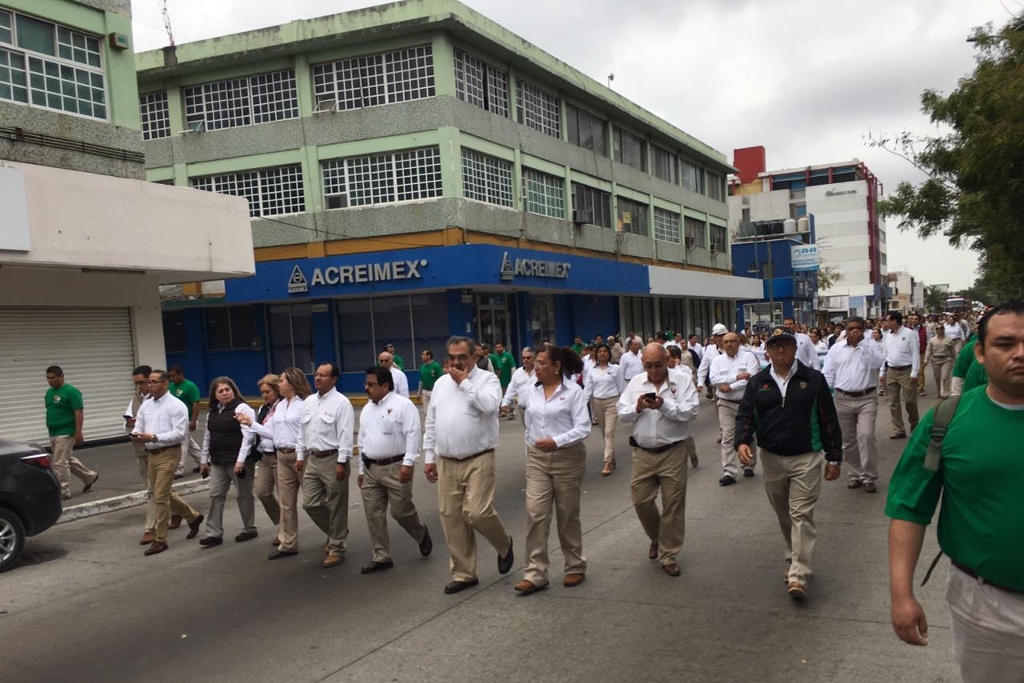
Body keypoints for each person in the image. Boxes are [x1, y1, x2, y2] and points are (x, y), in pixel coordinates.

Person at [886, 300, 1024, 680]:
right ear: (979, 353)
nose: (1020, 354)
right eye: (1005, 343)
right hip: (987, 608)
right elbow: (909, 508)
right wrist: (902, 594)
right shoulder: (946, 421)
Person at [734, 332, 843, 600]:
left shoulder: (813, 379)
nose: (781, 350)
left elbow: (828, 419)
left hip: (806, 458)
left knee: (801, 514)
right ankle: (795, 557)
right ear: (767, 351)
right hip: (771, 458)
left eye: (786, 345)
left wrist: (834, 456)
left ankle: (799, 574)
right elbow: (746, 415)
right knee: (784, 512)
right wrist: (742, 442)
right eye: (775, 346)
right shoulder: (758, 382)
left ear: (796, 348)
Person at [423, 336, 514, 595]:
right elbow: (432, 422)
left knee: (477, 512)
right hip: (447, 461)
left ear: (475, 356)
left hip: (479, 458)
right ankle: (464, 573)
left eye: (462, 357)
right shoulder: (441, 384)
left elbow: (489, 407)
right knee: (451, 517)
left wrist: (464, 383)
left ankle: (504, 543)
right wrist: (429, 457)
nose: (455, 362)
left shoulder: (488, 381)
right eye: (452, 357)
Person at [617, 343, 700, 577]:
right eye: (648, 365)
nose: (653, 370)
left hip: (672, 450)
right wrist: (638, 407)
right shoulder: (636, 383)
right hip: (643, 452)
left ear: (668, 361)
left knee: (673, 504)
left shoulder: (682, 381)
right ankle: (657, 537)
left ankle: (669, 554)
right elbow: (622, 414)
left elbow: (691, 412)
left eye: (658, 365)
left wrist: (664, 406)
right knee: (641, 500)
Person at [513, 346, 591, 594]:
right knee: (536, 513)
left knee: (567, 514)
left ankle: (575, 565)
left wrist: (556, 441)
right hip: (537, 458)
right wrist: (532, 445)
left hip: (567, 457)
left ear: (556, 366)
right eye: (535, 363)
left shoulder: (574, 392)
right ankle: (535, 573)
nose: (536, 367)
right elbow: (528, 421)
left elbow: (583, 427)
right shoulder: (530, 391)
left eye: (541, 363)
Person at [357, 366, 432, 574]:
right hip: (372, 468)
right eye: (366, 384)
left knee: (401, 511)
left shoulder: (403, 406)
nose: (366, 388)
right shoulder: (367, 409)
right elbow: (362, 441)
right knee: (373, 514)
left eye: (370, 384)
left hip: (396, 467)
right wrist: (361, 470)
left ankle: (420, 532)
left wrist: (409, 462)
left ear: (385, 385)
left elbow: (413, 434)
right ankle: (381, 556)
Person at [238, 367, 310, 560]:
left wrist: (302, 456)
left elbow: (307, 432)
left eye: (283, 381)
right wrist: (250, 424)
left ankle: (334, 536)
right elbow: (273, 433)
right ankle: (288, 543)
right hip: (280, 455)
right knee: (286, 503)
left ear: (293, 383)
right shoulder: (279, 407)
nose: (280, 384)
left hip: (299, 456)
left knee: (312, 502)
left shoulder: (304, 404)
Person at [130, 369, 204, 556]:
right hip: (151, 453)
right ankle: (192, 517)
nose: (150, 385)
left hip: (169, 453)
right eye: (149, 382)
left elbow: (180, 434)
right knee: (158, 491)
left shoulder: (176, 406)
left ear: (165, 383)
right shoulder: (146, 405)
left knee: (160, 497)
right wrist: (137, 434)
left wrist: (154, 437)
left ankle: (160, 539)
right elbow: (139, 424)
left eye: (154, 382)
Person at [296, 362, 354, 569]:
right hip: (313, 458)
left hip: (333, 458)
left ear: (334, 379)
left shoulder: (342, 403)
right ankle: (337, 531)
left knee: (337, 504)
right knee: (310, 503)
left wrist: (341, 462)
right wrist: (300, 455)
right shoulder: (309, 402)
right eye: (316, 374)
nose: (317, 378)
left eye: (323, 375)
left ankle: (337, 548)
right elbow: (303, 431)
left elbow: (346, 435)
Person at [822, 317, 885, 493]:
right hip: (843, 398)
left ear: (864, 330)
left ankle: (869, 476)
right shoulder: (836, 349)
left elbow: (877, 364)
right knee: (847, 441)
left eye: (858, 328)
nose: (854, 331)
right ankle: (855, 474)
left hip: (866, 398)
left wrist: (863, 345)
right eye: (850, 329)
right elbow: (828, 373)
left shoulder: (872, 346)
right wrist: (823, 394)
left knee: (865, 436)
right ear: (845, 330)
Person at [197, 376, 258, 547]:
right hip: (218, 461)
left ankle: (249, 528)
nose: (225, 393)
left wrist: (240, 460)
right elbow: (208, 437)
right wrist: (204, 460)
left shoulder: (242, 408)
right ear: (214, 395)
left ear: (233, 390)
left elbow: (248, 437)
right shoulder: (213, 412)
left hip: (238, 461)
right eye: (220, 391)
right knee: (215, 494)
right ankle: (214, 533)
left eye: (227, 389)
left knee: (243, 494)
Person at [709, 333, 761, 486]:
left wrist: (730, 385)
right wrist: (737, 377)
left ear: (739, 343)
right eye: (726, 342)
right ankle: (729, 472)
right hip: (726, 403)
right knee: (728, 437)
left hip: (746, 403)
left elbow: (751, 378)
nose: (729, 344)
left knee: (748, 435)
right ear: (721, 344)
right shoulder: (717, 361)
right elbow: (714, 380)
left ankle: (749, 464)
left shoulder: (748, 357)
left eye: (732, 341)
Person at [44, 366, 98, 501]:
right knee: (65, 458)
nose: (49, 381)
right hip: (53, 431)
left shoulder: (71, 391)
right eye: (48, 378)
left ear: (61, 377)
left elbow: (78, 411)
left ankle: (63, 490)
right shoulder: (49, 392)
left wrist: (78, 431)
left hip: (66, 431)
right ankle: (89, 476)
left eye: (52, 378)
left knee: (59, 462)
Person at [125, 365, 157, 544]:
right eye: (136, 383)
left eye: (142, 382)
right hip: (140, 450)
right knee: (154, 488)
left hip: (157, 449)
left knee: (153, 491)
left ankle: (150, 528)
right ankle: (186, 514)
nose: (139, 386)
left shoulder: (158, 399)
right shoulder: (135, 398)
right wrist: (131, 423)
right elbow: (127, 422)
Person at [582, 343, 624, 476]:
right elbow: (588, 388)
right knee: (604, 432)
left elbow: (622, 387)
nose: (602, 353)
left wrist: (624, 404)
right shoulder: (592, 371)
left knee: (609, 432)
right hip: (597, 402)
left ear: (609, 353)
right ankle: (612, 457)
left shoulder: (616, 369)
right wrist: (582, 404)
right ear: (596, 354)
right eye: (599, 351)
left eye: (605, 351)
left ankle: (607, 462)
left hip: (612, 401)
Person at [251, 375, 281, 543]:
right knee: (262, 491)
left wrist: (252, 425)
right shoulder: (263, 408)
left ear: (277, 390)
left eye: (268, 392)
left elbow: (274, 433)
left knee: (285, 497)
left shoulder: (283, 408)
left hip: (279, 456)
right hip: (265, 455)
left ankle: (286, 529)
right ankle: (281, 523)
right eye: (262, 392)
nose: (264, 395)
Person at [882, 311, 921, 440]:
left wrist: (915, 372)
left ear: (894, 321)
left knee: (910, 401)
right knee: (893, 402)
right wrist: (883, 372)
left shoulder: (910, 334)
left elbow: (915, 353)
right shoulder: (888, 336)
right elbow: (885, 355)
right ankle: (898, 429)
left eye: (887, 320)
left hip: (906, 370)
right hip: (892, 371)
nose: (885, 323)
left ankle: (915, 426)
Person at [666, 346, 700, 468]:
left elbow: (686, 381)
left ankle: (692, 454)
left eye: (668, 357)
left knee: (687, 434)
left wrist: (677, 367)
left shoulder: (685, 370)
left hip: (683, 406)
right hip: (667, 407)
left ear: (675, 358)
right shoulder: (662, 371)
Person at [168, 365, 203, 477]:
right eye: (170, 376)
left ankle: (179, 470)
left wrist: (193, 421)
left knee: (182, 444)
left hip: (186, 420)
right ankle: (203, 461)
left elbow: (196, 404)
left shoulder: (190, 386)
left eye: (174, 376)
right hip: (174, 420)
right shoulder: (171, 386)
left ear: (181, 374)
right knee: (190, 444)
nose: (172, 378)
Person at [500, 347, 537, 421]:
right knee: (527, 431)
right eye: (523, 358)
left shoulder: (540, 372)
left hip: (537, 410)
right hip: (523, 409)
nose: (525, 360)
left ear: (534, 358)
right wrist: (505, 402)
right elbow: (511, 389)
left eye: (528, 358)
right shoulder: (518, 373)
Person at [925, 323, 955, 399]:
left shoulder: (949, 339)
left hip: (946, 359)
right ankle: (939, 391)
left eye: (941, 328)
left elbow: (953, 351)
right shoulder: (932, 340)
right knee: (937, 377)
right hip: (935, 360)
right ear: (935, 330)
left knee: (945, 377)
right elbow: (928, 350)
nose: (939, 330)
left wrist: (956, 361)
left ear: (943, 329)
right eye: (937, 329)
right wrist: (926, 359)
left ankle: (945, 392)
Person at [417, 349, 443, 419]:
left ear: (428, 356)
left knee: (435, 411)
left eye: (423, 355)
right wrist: (419, 393)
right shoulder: (422, 367)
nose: (421, 356)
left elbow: (441, 379)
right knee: (426, 413)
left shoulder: (436, 366)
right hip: (425, 392)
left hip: (434, 392)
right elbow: (421, 380)